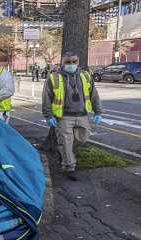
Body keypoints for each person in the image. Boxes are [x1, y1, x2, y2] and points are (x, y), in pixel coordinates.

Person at [42, 51, 103, 181]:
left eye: (74, 62)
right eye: (68, 62)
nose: (71, 65)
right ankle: (70, 167)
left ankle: (64, 152)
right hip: (63, 116)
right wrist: (48, 115)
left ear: (78, 62)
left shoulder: (85, 76)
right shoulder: (54, 77)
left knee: (83, 138)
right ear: (62, 63)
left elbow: (94, 94)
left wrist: (98, 111)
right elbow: (46, 97)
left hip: (82, 115)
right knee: (66, 141)